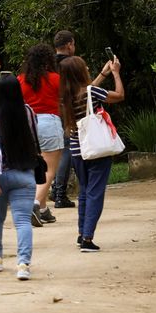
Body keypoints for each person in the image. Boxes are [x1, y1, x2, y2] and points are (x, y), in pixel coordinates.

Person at [58, 55, 125, 252]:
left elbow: (88, 91)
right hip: (97, 150)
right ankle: (88, 238)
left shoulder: (65, 96)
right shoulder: (90, 92)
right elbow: (119, 95)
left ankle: (82, 233)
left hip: (78, 150)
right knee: (96, 193)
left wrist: (103, 74)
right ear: (80, 72)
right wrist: (116, 74)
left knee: (85, 192)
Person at [0, 75, 41, 280]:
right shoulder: (29, 113)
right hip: (24, 174)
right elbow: (34, 139)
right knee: (23, 221)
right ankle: (23, 264)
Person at [19, 43, 62, 225]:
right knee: (49, 170)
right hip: (50, 122)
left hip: (28, 124)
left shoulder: (21, 79)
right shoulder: (55, 78)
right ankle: (35, 205)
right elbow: (64, 99)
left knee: (35, 168)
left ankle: (43, 210)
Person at [49, 30, 78, 209]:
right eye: (73, 44)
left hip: (49, 109)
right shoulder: (70, 64)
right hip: (65, 109)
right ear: (68, 45)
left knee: (54, 151)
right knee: (66, 149)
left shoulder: (48, 63)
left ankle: (54, 190)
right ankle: (60, 193)